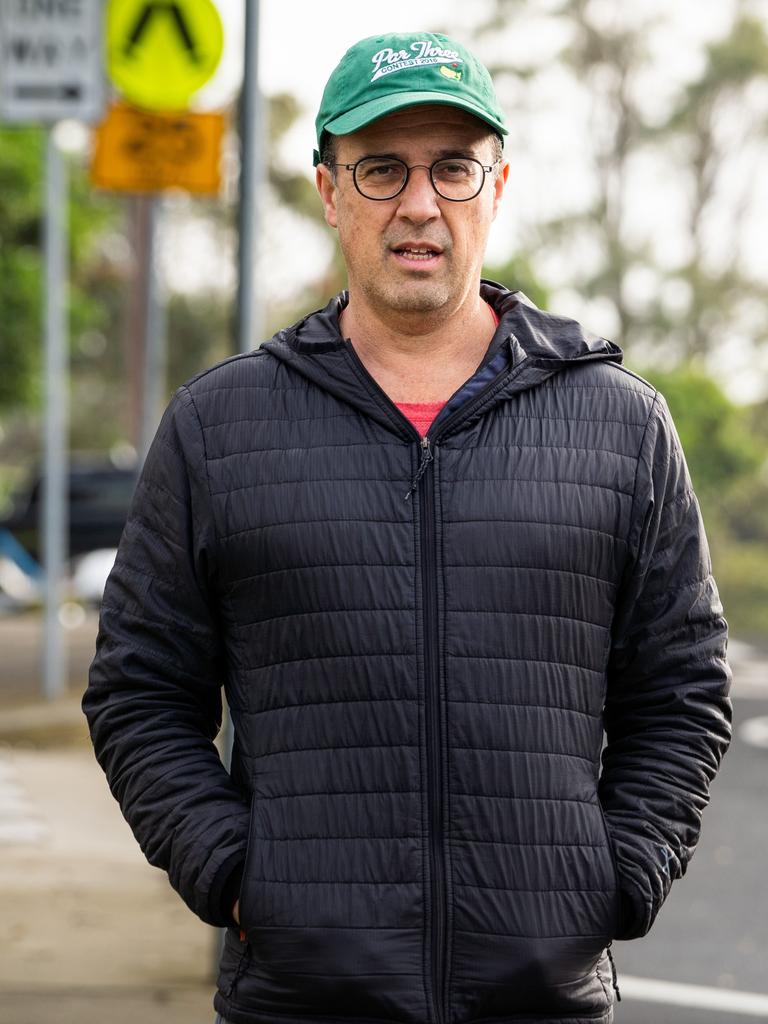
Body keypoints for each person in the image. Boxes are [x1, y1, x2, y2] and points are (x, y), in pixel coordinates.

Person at [83, 31, 732, 1024]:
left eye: (453, 168)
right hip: (301, 998)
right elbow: (138, 689)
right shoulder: (219, 426)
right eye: (381, 168)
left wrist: (620, 874)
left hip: (543, 1001)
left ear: (497, 185)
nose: (420, 204)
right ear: (330, 190)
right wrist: (236, 873)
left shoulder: (619, 422)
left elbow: (683, 686)